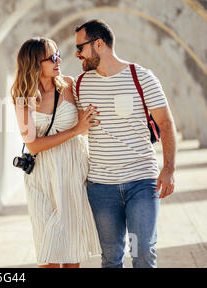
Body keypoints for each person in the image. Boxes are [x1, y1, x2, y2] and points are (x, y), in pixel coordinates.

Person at [72, 19, 177, 268]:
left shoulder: (141, 77)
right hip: (101, 187)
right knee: (111, 257)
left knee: (143, 253)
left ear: (99, 44)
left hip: (142, 182)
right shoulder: (80, 85)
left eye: (80, 48)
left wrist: (169, 169)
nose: (76, 55)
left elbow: (166, 124)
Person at [11, 37, 101, 268]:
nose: (58, 60)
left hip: (73, 172)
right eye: (52, 58)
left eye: (58, 54)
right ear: (35, 64)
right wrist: (75, 130)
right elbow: (33, 145)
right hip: (42, 178)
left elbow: (87, 122)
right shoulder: (23, 98)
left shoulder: (69, 85)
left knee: (72, 253)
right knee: (48, 251)